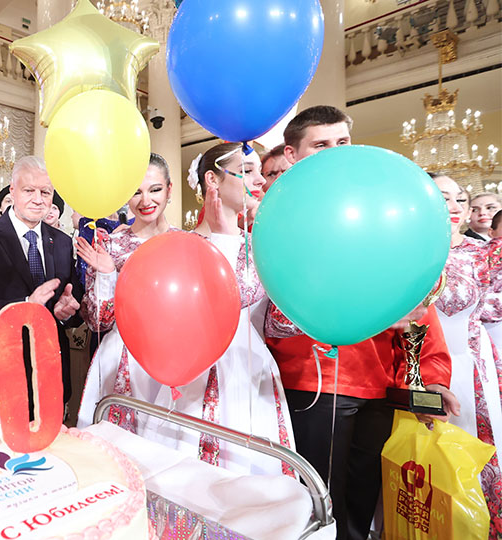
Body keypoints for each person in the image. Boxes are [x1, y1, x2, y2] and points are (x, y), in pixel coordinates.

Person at [263, 105, 457, 540]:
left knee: (362, 503)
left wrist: (430, 376)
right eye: (321, 145)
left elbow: (416, 301)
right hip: (311, 380)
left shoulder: (376, 211)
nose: (335, 152)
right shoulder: (280, 218)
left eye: (342, 142)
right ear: (292, 155)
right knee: (317, 504)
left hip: (377, 381)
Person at [137, 144, 295, 477]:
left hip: (251, 368)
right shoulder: (182, 245)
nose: (259, 180)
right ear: (213, 180)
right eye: (247, 171)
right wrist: (224, 239)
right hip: (196, 370)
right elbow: (212, 308)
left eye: (259, 171)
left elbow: (279, 324)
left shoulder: (262, 244)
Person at [0, 156, 83, 417]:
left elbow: (71, 306)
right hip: (0, 374)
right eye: (29, 190)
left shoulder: (62, 242)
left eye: (45, 192)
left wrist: (67, 313)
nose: (38, 199)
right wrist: (26, 306)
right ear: (12, 190)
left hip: (51, 373)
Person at [75, 154, 180, 433]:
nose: (146, 201)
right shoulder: (110, 246)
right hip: (123, 355)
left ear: (169, 189)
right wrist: (108, 275)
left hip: (175, 356)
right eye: (136, 192)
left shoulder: (186, 243)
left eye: (155, 189)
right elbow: (97, 322)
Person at [430, 174, 502, 535]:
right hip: (414, 366)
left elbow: (495, 306)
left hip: (470, 361)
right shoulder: (402, 252)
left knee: (477, 446)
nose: (455, 207)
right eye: (443, 198)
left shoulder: (483, 253)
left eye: (459, 198)